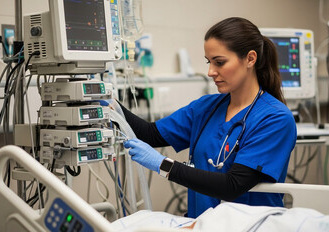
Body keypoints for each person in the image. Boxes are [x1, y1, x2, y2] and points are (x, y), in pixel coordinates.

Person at [122, 17, 297, 218]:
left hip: (248, 230)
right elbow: (149, 134)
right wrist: (106, 101)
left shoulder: (275, 119)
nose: (210, 72)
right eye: (209, 62)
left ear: (250, 59)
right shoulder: (207, 108)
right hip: (202, 228)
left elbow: (233, 185)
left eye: (219, 62)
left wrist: (163, 165)